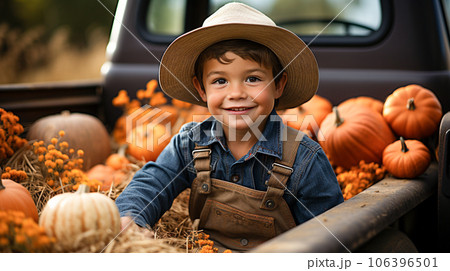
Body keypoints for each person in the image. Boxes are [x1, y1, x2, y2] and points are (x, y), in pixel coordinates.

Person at [115, 2, 343, 251]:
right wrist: (131, 218)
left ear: (278, 85)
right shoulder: (190, 143)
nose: (236, 93)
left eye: (253, 79)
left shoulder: (304, 159)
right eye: (220, 80)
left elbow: (331, 234)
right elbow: (153, 181)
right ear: (201, 89)